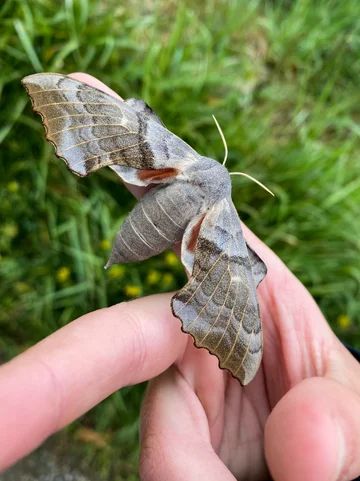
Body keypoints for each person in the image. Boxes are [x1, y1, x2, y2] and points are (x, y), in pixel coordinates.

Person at [1, 73, 359, 481]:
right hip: (152, 232)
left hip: (151, 207)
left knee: (125, 118)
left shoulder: (179, 155)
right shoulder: (224, 222)